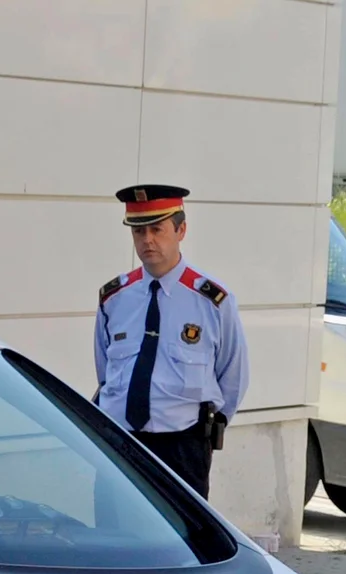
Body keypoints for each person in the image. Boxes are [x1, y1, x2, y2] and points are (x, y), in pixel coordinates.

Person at [93, 184, 248, 498]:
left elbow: (233, 377)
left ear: (181, 230)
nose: (147, 240)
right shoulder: (114, 297)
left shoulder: (212, 301)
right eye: (138, 232)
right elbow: (105, 372)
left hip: (181, 447)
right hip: (121, 442)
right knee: (117, 539)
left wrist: (203, 433)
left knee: (184, 542)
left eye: (157, 229)